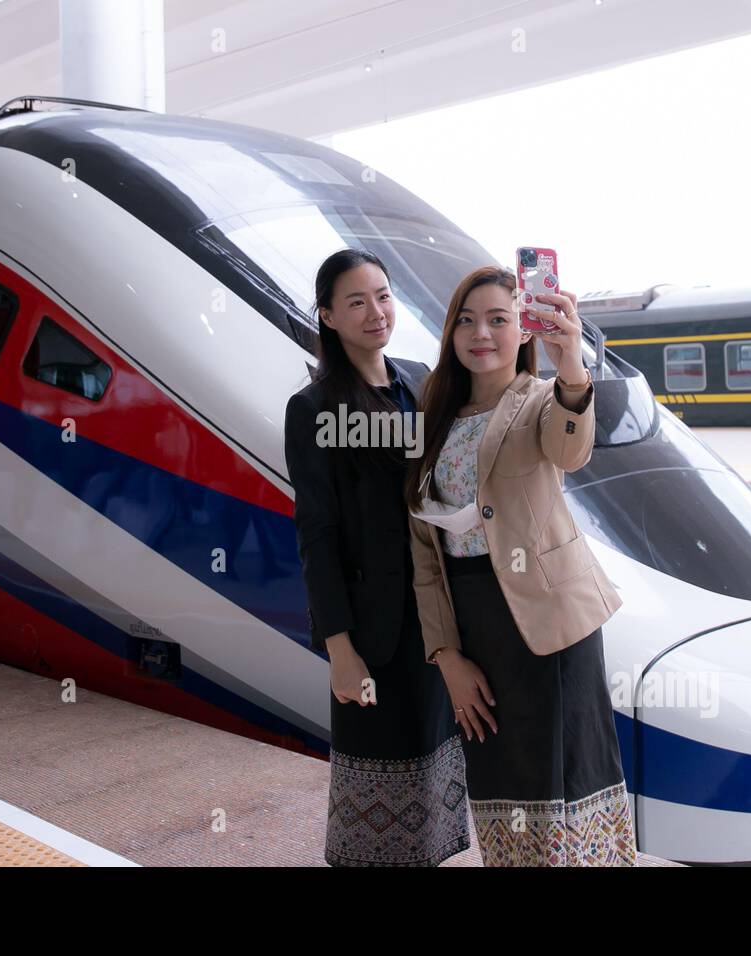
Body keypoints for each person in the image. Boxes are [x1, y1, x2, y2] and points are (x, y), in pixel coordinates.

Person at [404, 265, 636, 867]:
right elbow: (424, 558)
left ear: (524, 330)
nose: (481, 332)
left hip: (549, 626)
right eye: (466, 320)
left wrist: (573, 370)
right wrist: (446, 656)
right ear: (451, 332)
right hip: (476, 626)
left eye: (499, 320)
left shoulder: (540, 400)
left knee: (563, 779)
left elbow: (569, 448)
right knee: (500, 779)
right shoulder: (435, 417)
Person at [283, 248, 470, 866]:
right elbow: (318, 532)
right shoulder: (313, 410)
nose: (375, 312)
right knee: (374, 798)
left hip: (438, 622)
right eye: (356, 301)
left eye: (383, 296)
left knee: (434, 790)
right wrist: (340, 650)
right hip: (373, 633)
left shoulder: (421, 381)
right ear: (329, 317)